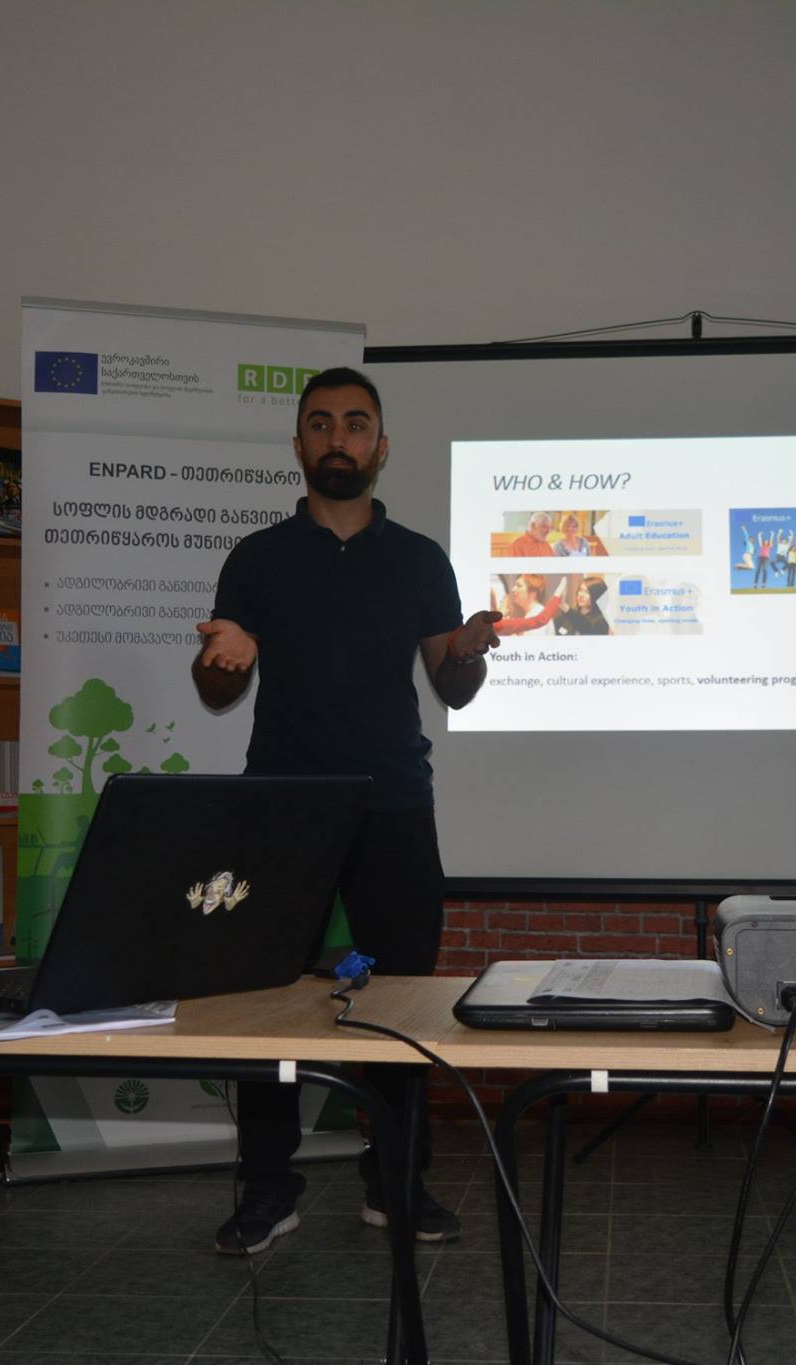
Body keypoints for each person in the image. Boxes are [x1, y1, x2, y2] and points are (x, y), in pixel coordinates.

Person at [192, 366, 501, 1256]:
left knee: (400, 1001)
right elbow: (218, 691)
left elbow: (453, 685)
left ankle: (396, 1181)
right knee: (265, 999)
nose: (339, 438)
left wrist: (468, 651)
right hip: (280, 807)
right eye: (322, 423)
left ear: (381, 446)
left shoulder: (420, 559)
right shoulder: (257, 557)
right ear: (299, 445)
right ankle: (268, 1187)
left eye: (356, 424)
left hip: (393, 802)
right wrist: (223, 659)